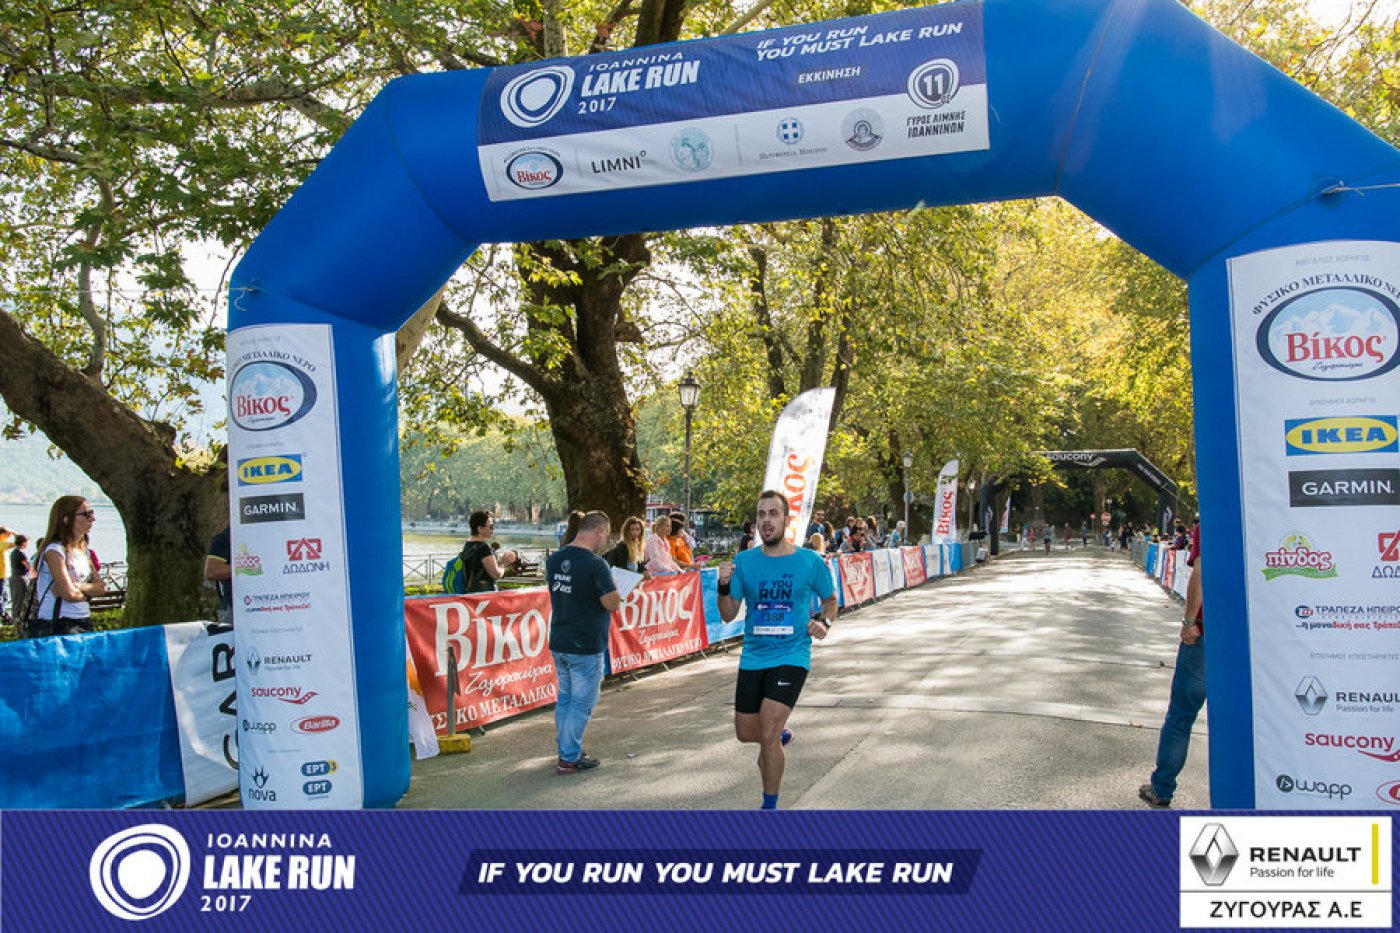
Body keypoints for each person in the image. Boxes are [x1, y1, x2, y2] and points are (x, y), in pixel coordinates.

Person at [717, 489, 837, 810]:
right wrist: (723, 585)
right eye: (761, 515)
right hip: (753, 656)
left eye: (773, 514)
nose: (767, 521)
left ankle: (769, 808)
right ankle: (777, 736)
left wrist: (823, 621)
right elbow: (728, 614)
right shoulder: (745, 562)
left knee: (767, 734)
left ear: (786, 519)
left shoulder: (809, 561)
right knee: (746, 732)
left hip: (792, 655)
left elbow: (830, 600)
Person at [546, 511, 621, 774]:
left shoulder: (555, 559)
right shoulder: (595, 564)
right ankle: (569, 756)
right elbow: (611, 603)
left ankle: (567, 749)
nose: (606, 540)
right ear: (599, 531)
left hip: (560, 637)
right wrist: (617, 589)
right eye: (606, 534)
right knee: (581, 702)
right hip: (585, 641)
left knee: (566, 699)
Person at [1139, 522, 1205, 808]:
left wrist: (1189, 621)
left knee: (1180, 716)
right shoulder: (1261, 521)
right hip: (1247, 640)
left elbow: (1200, 573)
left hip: (1204, 636)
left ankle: (1162, 787)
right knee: (1239, 722)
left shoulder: (1213, 522)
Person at [29, 496, 106, 636]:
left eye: (92, 513)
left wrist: (77, 586)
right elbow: (69, 594)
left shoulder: (84, 552)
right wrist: (88, 592)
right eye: (86, 514)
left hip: (83, 620)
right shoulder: (55, 551)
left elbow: (101, 589)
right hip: (58, 622)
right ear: (66, 519)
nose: (92, 518)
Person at [455, 510, 518, 594]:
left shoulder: (469, 544)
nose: (493, 529)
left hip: (470, 592)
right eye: (491, 526)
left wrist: (499, 562)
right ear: (480, 529)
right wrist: (504, 564)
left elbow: (479, 567)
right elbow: (496, 574)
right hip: (484, 593)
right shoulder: (484, 548)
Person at [204, 526, 233, 626]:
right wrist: (246, 567)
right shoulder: (226, 537)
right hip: (233, 609)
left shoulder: (271, 534)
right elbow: (211, 571)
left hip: (270, 607)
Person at [9, 534, 34, 621]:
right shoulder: (20, 554)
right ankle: (18, 620)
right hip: (20, 579)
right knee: (20, 600)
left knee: (15, 600)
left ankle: (15, 619)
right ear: (23, 543)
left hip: (14, 577)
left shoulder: (13, 553)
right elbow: (29, 567)